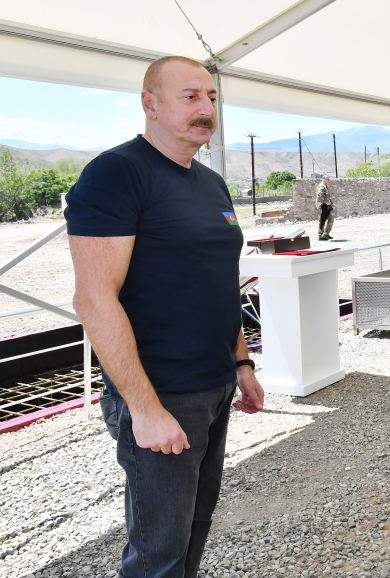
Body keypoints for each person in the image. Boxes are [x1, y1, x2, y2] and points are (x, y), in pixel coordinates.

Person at [65, 55, 265, 577]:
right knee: (158, 553)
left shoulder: (211, 183)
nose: (206, 109)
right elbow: (93, 299)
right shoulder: (116, 174)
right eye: (190, 96)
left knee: (194, 527)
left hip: (214, 385)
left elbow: (218, 283)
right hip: (162, 393)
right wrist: (145, 409)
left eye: (211, 97)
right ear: (149, 104)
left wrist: (242, 363)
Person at [316, 174, 334, 240]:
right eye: (328, 179)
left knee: (330, 218)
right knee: (323, 220)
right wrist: (326, 202)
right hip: (323, 205)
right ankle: (321, 235)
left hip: (326, 205)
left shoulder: (325, 186)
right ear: (324, 179)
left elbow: (327, 196)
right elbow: (320, 196)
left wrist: (331, 203)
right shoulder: (321, 187)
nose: (329, 181)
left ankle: (325, 234)